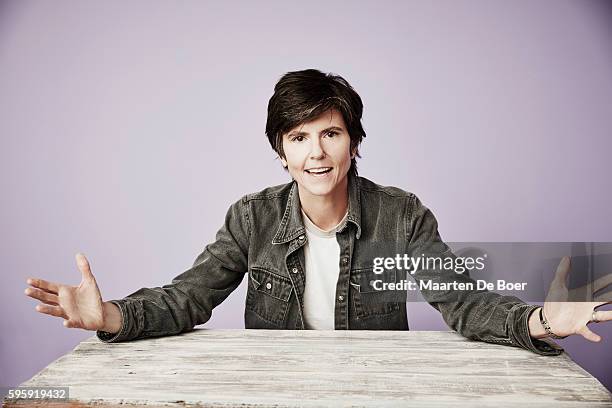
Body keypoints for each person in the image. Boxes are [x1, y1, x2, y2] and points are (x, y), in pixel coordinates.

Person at [25, 69, 611, 354]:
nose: (316, 152)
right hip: (278, 391)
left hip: (374, 395)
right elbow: (188, 298)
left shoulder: (400, 216)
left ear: (353, 142)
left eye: (330, 133)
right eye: (299, 137)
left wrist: (538, 321)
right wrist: (111, 316)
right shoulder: (250, 219)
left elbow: (463, 304)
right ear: (281, 152)